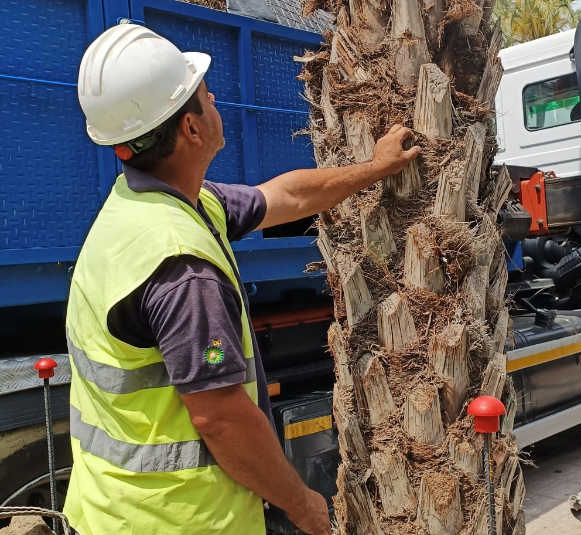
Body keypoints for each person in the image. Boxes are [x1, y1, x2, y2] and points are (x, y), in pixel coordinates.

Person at [64, 23, 419, 535]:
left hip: (108, 510)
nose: (217, 107)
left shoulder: (148, 207)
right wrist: (301, 503)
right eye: (208, 99)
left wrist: (375, 168)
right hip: (178, 521)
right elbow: (221, 418)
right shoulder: (183, 270)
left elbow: (287, 198)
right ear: (190, 128)